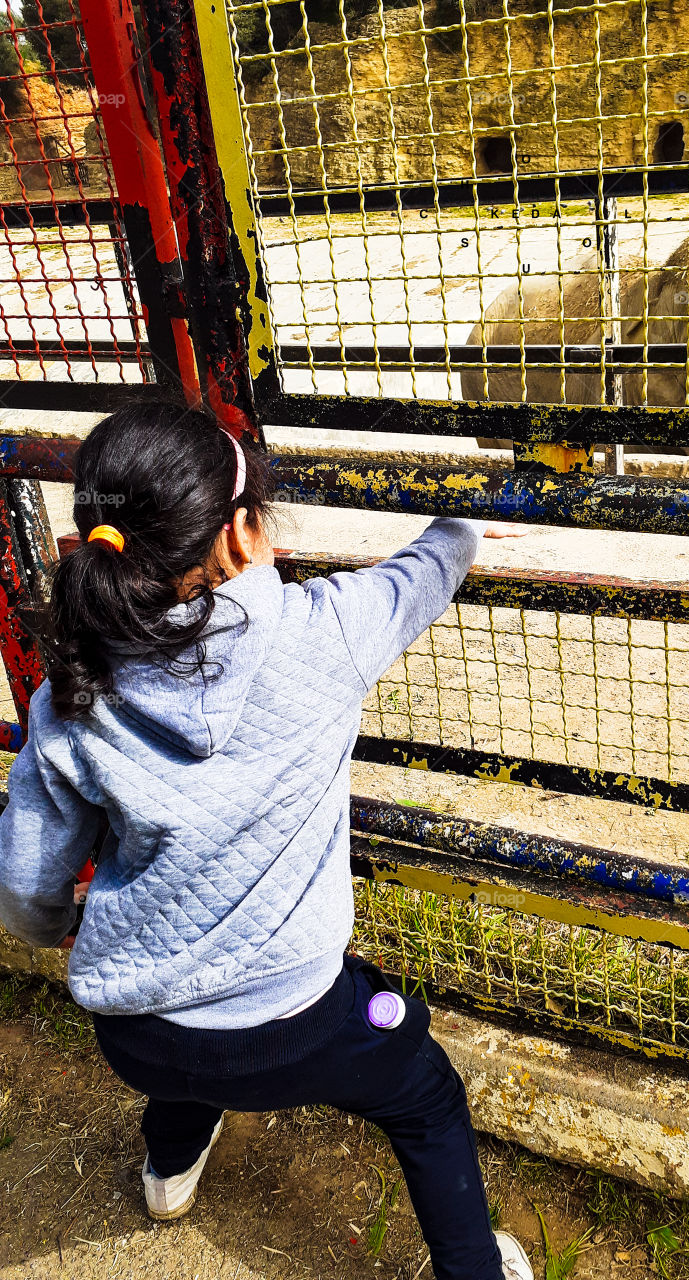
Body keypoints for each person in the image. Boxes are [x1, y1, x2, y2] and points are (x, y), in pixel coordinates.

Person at [0, 401, 533, 1280]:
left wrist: (56, 923)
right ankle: (473, 1270)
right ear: (244, 536)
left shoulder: (72, 690)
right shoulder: (325, 630)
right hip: (302, 1029)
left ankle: (168, 1171)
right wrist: (467, 514)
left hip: (139, 1029)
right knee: (427, 1098)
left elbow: (24, 881)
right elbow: (432, 565)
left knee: (184, 1066)